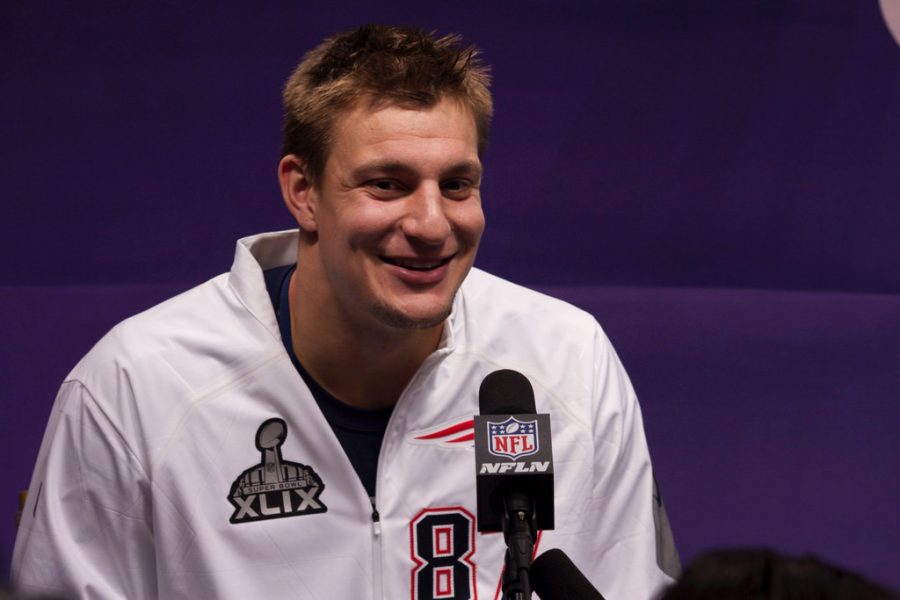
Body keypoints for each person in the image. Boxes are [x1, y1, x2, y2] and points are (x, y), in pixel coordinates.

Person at [12, 25, 678, 599]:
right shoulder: (137, 389)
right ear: (303, 192)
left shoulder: (566, 360)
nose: (429, 223)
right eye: (386, 184)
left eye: (456, 185)